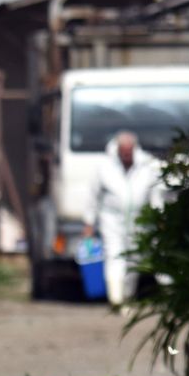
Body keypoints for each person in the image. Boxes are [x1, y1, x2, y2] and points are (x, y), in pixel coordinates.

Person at [82, 131, 162, 309]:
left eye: (129, 150)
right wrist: (89, 222)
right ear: (118, 149)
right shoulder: (105, 166)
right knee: (114, 256)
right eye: (123, 150)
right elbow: (92, 196)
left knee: (134, 259)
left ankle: (127, 297)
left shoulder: (147, 165)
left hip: (140, 221)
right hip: (112, 221)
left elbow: (155, 195)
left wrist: (159, 218)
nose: (126, 154)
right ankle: (116, 299)